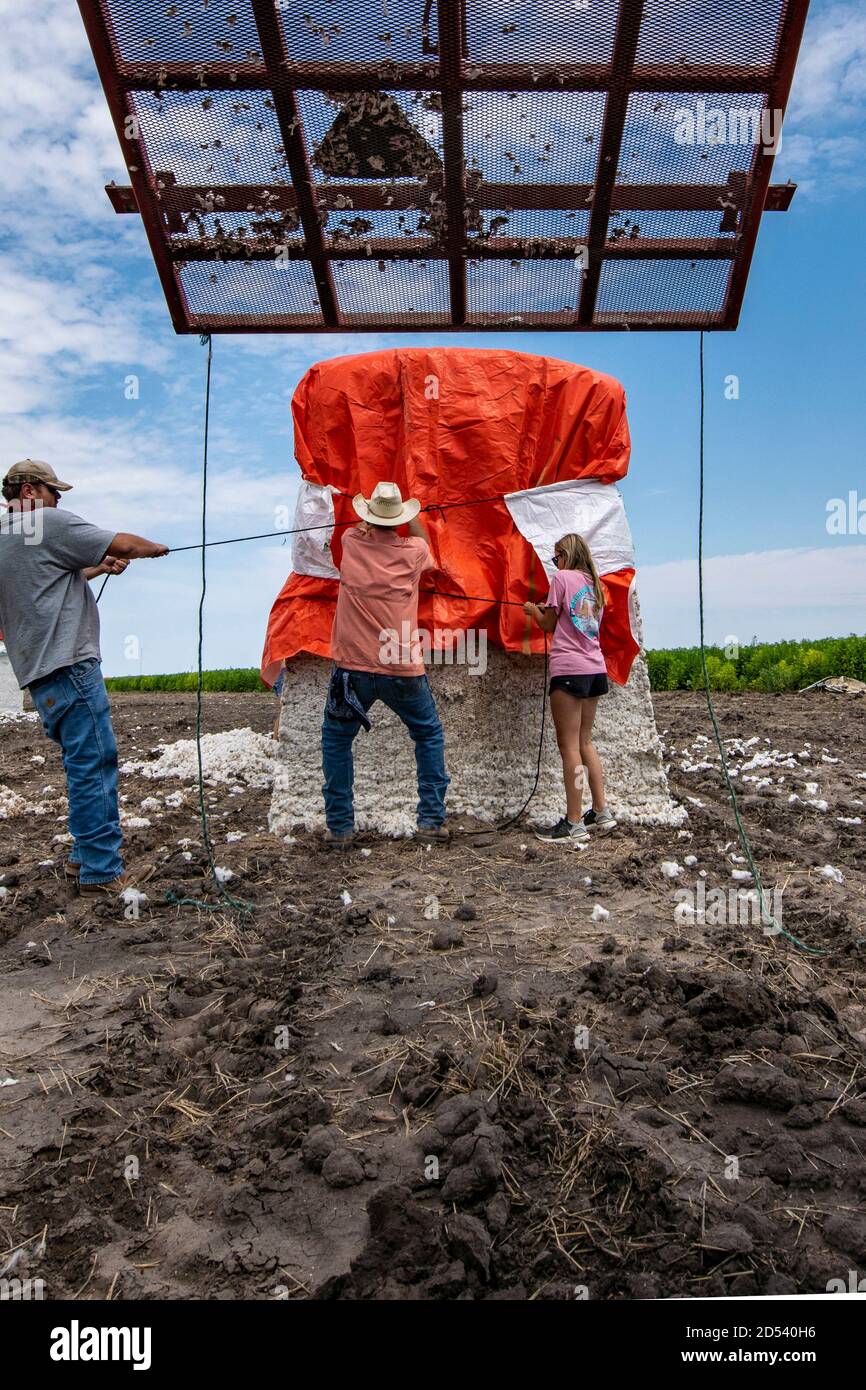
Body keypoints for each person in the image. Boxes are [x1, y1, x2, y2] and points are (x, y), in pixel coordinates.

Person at [0, 459, 169, 895]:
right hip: (72, 668)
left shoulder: (6, 538)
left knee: (82, 765)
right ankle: (101, 869)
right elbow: (123, 542)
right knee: (94, 765)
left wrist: (99, 567)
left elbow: (48, 581)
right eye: (54, 491)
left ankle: (83, 858)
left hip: (40, 677)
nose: (60, 499)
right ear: (31, 492)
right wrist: (150, 548)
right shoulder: (47, 522)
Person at [321, 480, 449, 848]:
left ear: (368, 516)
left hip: (352, 668)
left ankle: (340, 828)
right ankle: (430, 821)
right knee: (427, 734)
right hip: (401, 662)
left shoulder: (351, 543)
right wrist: (412, 517)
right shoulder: (413, 553)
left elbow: (357, 532)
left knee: (336, 740)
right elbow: (428, 552)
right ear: (398, 519)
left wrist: (368, 524)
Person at [523, 532, 617, 844]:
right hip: (595, 669)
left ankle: (574, 822)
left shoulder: (561, 578)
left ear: (565, 555)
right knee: (586, 741)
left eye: (556, 557)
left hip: (569, 670)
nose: (555, 563)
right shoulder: (595, 583)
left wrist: (533, 611)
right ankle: (601, 812)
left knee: (569, 748)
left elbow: (548, 625)